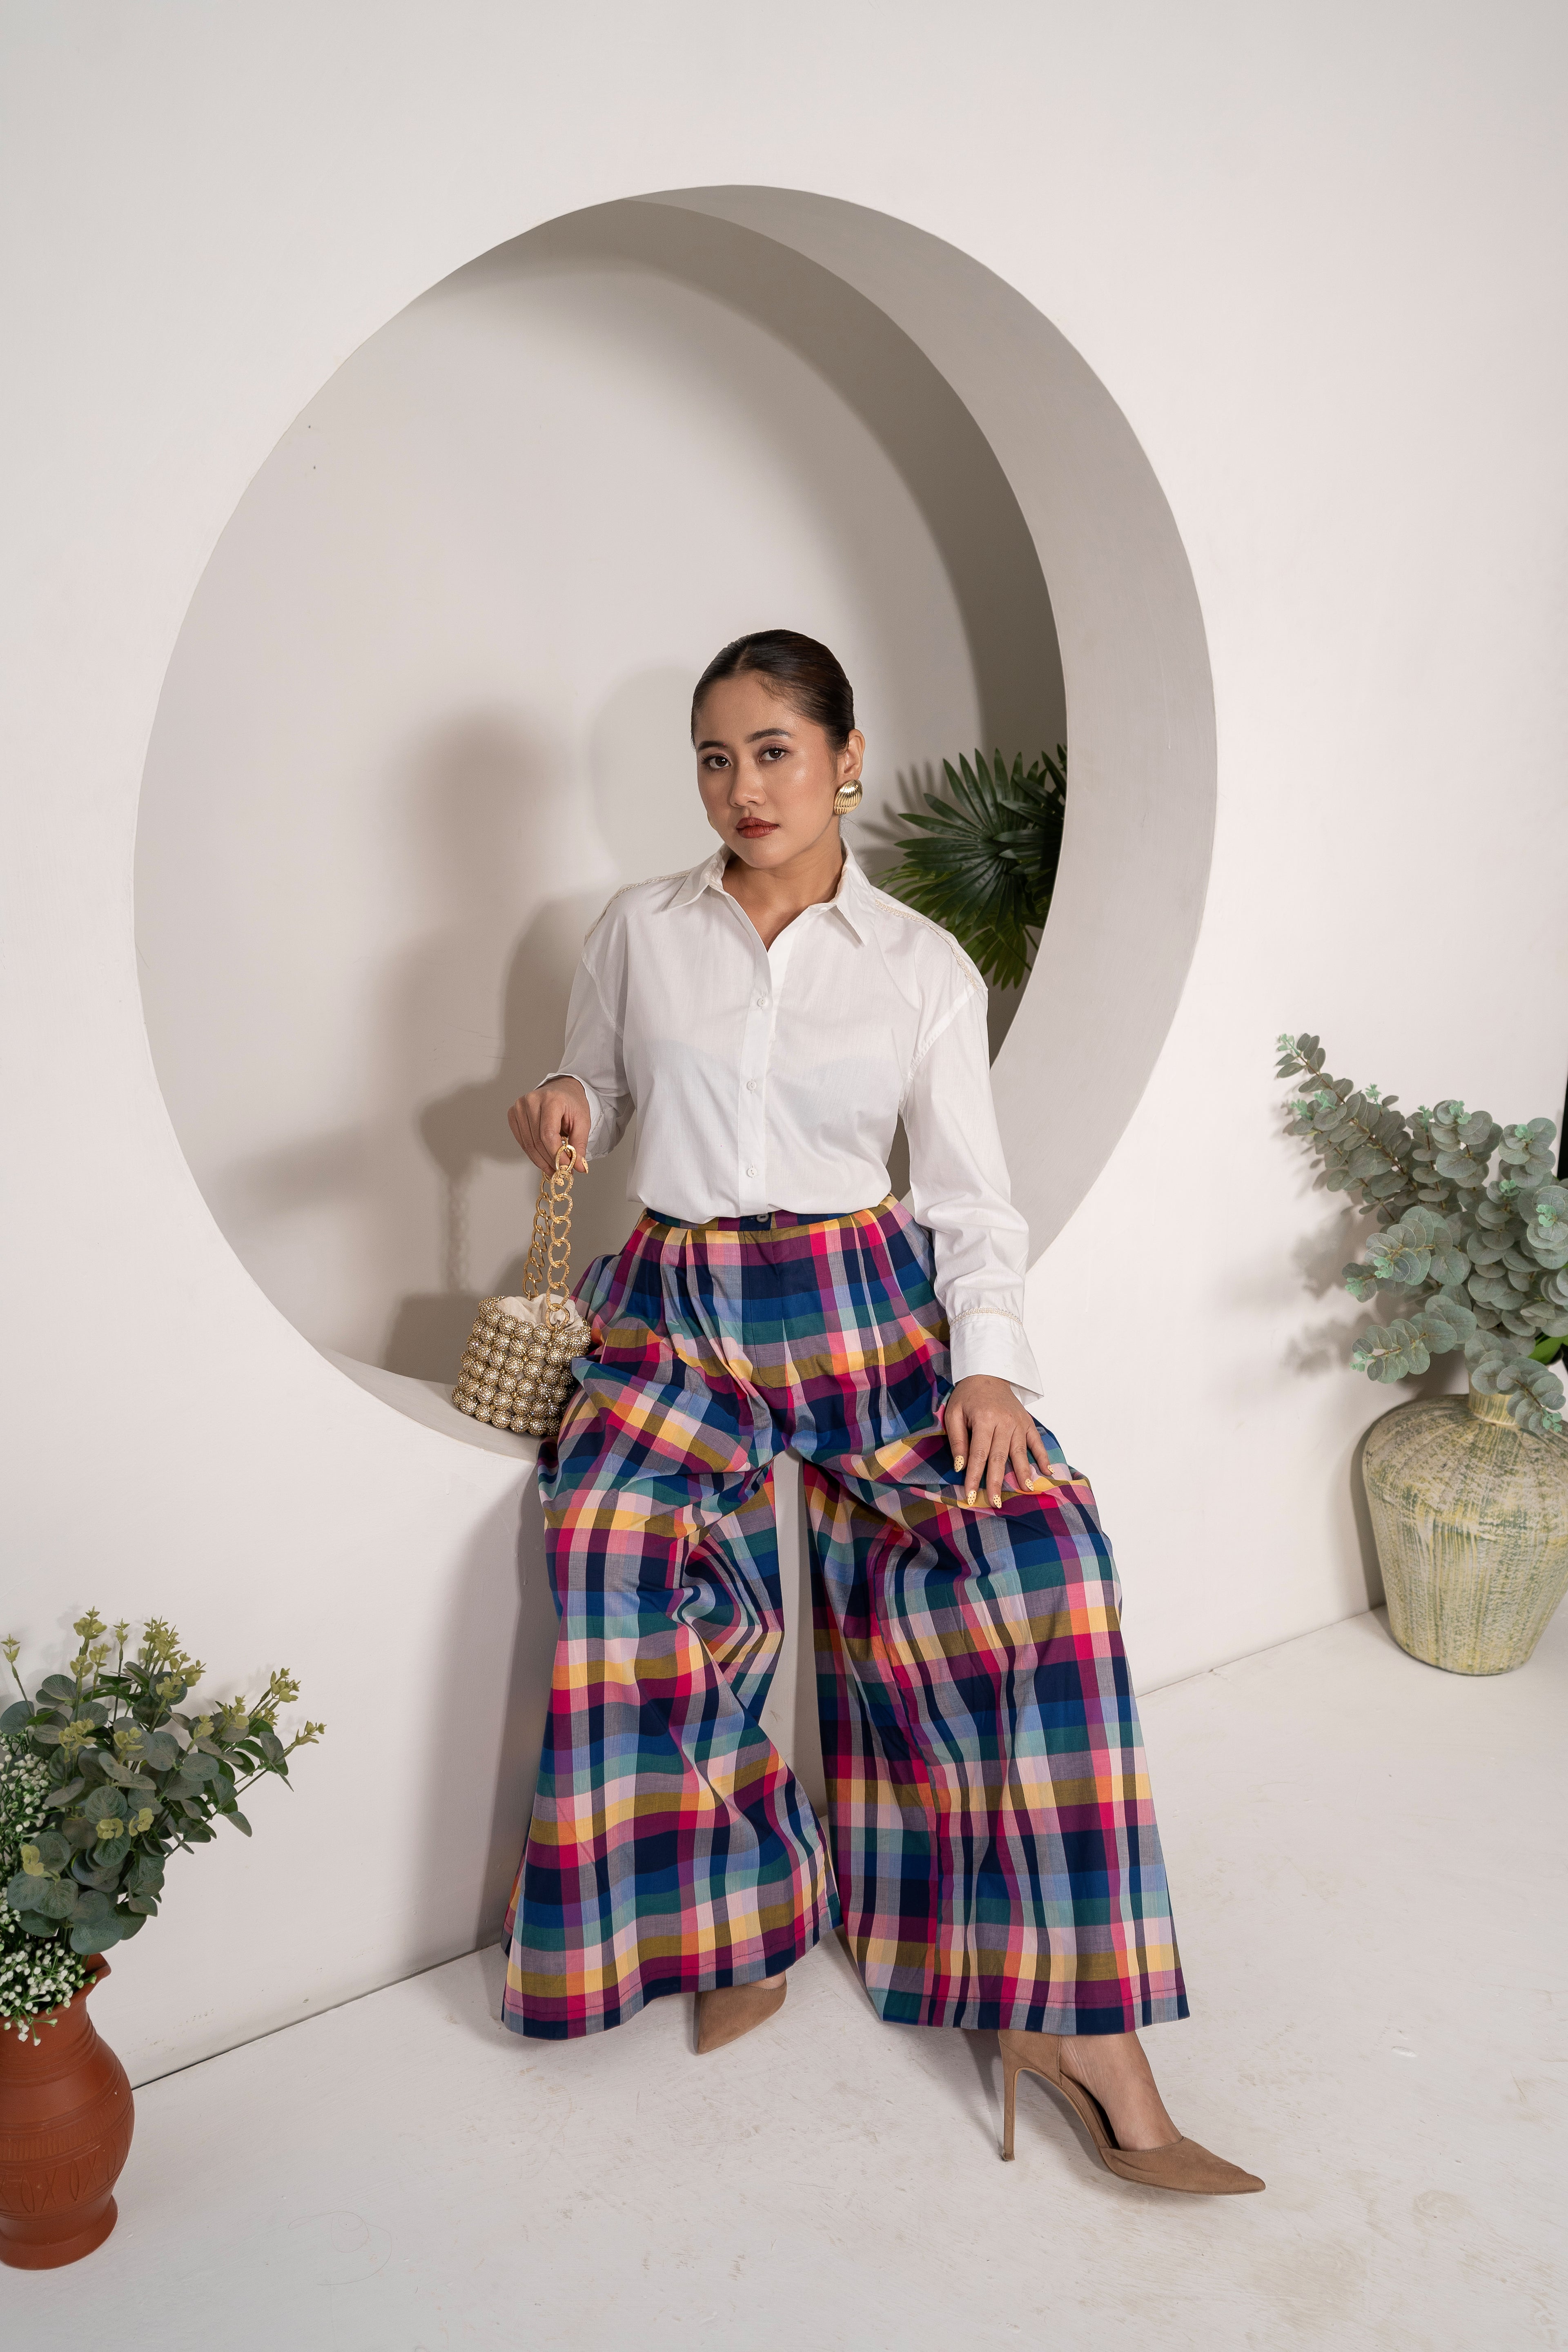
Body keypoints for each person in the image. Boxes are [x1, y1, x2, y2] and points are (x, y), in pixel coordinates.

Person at [501, 630, 1261, 2194]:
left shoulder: (921, 966)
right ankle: (732, 1918)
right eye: (714, 757)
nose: (742, 787)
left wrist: (988, 1362)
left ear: (848, 757)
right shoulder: (638, 931)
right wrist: (569, 1108)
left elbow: (973, 1196)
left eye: (774, 749)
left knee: (1040, 1556)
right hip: (680, 1309)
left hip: (866, 1303)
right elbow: (605, 1087)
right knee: (605, 1536)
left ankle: (1080, 2023)